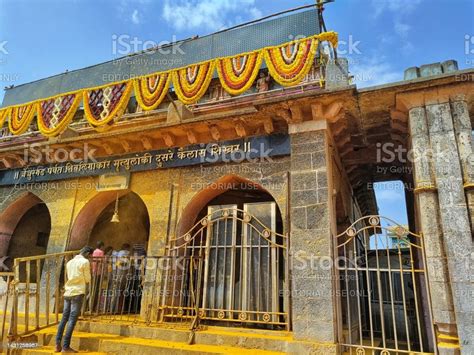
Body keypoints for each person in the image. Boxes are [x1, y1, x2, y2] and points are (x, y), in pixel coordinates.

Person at [55, 246, 92, 353]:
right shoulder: (85, 262)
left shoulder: (69, 262)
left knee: (64, 318)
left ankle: (57, 344)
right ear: (87, 253)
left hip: (68, 292)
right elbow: (88, 279)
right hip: (77, 292)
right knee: (72, 319)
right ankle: (66, 347)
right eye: (89, 255)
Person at [91, 241, 105, 312]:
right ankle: (94, 307)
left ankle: (90, 306)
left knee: (93, 289)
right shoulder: (101, 252)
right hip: (98, 273)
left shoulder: (94, 251)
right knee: (97, 290)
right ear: (101, 246)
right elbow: (102, 262)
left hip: (94, 272)